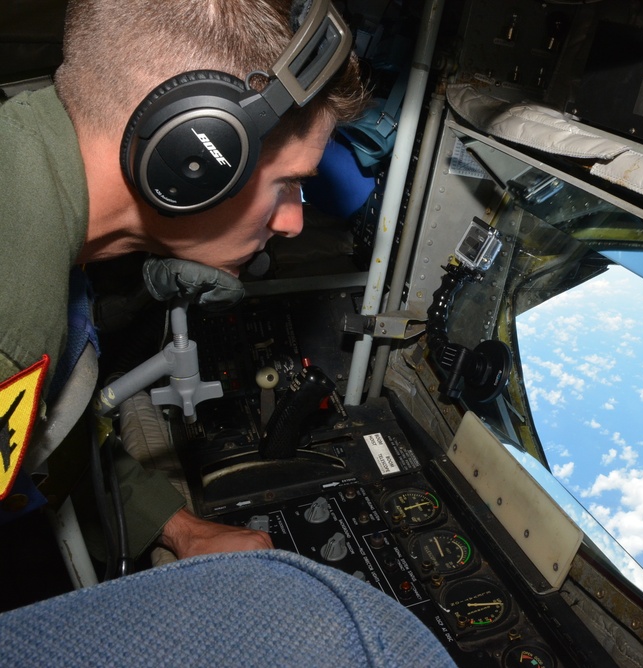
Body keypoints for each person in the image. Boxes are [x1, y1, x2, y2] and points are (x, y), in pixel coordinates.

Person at [0, 0, 367, 564]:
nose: (294, 222)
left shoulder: (33, 171)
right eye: (289, 184)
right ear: (195, 152)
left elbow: (48, 436)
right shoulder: (13, 325)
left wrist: (176, 528)